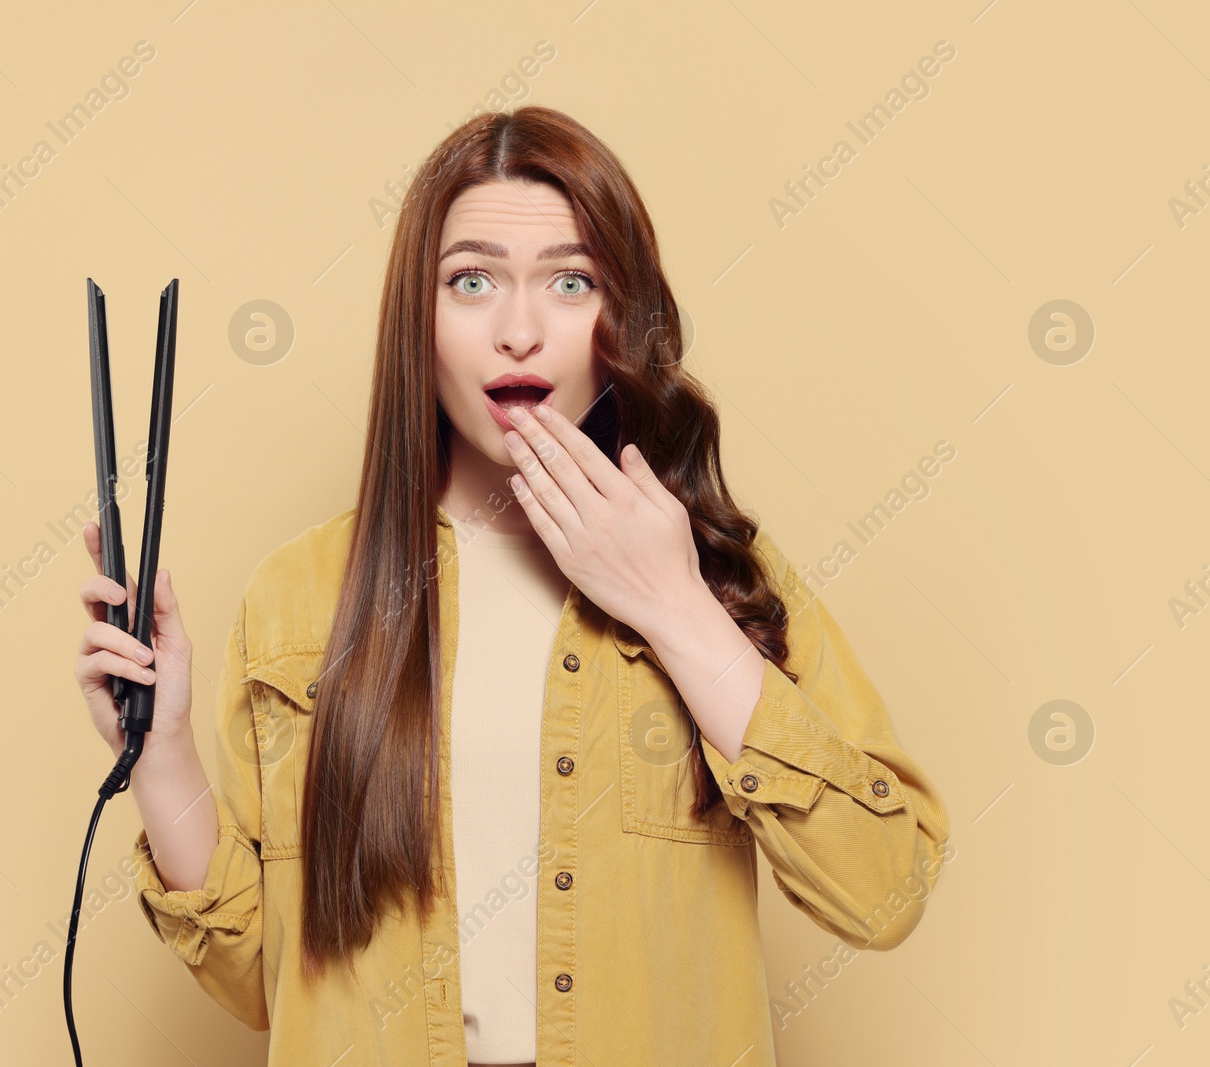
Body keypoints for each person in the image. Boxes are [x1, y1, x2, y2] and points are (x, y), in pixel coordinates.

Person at [74, 105, 951, 1067]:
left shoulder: (714, 571)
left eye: (571, 282)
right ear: (421, 317)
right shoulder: (300, 596)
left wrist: (674, 605)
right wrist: (159, 760)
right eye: (473, 281)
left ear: (623, 319)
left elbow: (887, 887)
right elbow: (260, 981)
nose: (520, 331)